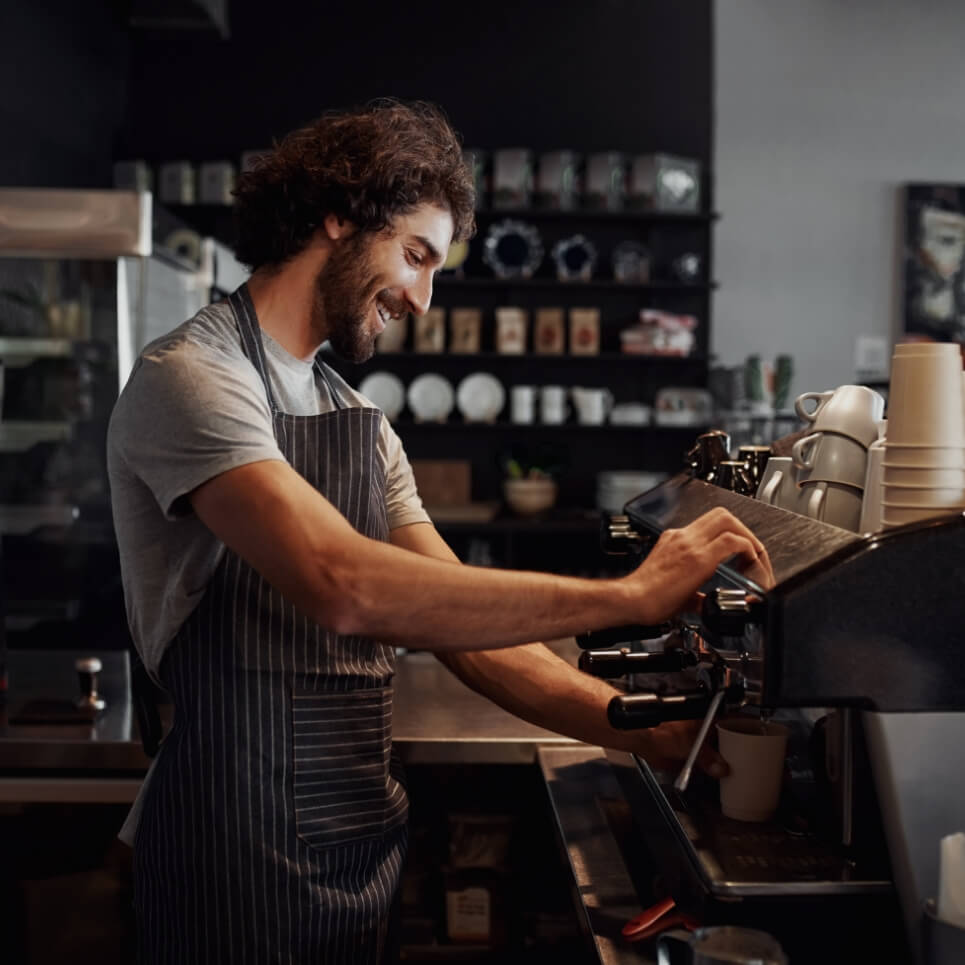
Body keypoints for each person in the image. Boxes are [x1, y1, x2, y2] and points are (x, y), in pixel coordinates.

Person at [107, 99, 773, 965]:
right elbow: (343, 583)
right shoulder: (193, 379)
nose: (421, 298)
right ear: (338, 216)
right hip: (228, 841)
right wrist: (627, 593)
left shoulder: (359, 421)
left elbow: (470, 639)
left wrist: (636, 727)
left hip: (352, 840)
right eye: (415, 255)